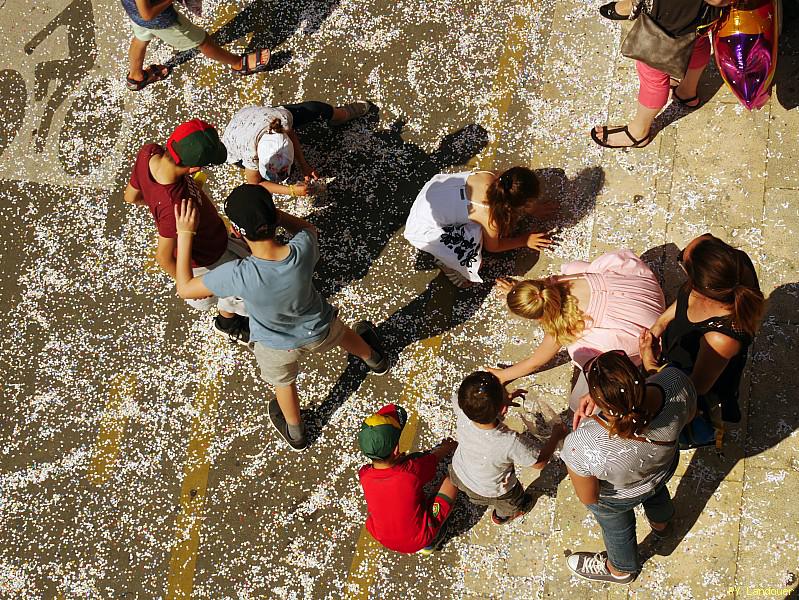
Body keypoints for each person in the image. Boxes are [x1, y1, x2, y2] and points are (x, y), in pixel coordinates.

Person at [172, 184, 389, 451]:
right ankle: (375, 360)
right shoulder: (302, 247)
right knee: (342, 333)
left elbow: (185, 288)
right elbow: (307, 228)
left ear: (237, 231)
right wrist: (275, 214)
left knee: (283, 383)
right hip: (317, 327)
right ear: (274, 218)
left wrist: (184, 234)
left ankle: (296, 433)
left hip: (275, 345)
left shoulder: (239, 274)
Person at [562, 350, 696, 584]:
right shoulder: (675, 382)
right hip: (661, 471)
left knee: (617, 529)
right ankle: (662, 525)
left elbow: (589, 497)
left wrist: (598, 414)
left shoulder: (581, 444)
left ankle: (621, 569)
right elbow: (690, 416)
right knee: (656, 495)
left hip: (619, 497)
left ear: (601, 401)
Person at [489, 249, 665, 414]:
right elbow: (539, 293)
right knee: (576, 267)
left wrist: (502, 375)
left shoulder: (563, 326)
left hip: (646, 335)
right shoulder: (558, 283)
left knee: (577, 396)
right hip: (644, 297)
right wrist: (520, 292)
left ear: (540, 317)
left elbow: (535, 362)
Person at [124, 119, 250, 343]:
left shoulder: (149, 153)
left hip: (213, 237)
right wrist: (188, 285)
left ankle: (229, 315)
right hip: (209, 255)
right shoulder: (173, 206)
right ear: (194, 168)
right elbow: (163, 257)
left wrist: (157, 206)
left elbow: (130, 196)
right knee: (242, 289)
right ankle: (228, 323)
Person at [638, 234, 764, 448]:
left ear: (700, 285)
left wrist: (650, 365)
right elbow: (685, 299)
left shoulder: (720, 338)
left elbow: (695, 387)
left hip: (689, 372)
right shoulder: (732, 267)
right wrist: (660, 324)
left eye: (681, 258)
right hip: (679, 351)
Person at [591, 0, 731, 149]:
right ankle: (687, 92)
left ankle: (638, 132)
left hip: (673, 14)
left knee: (652, 71)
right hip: (704, 12)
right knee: (696, 40)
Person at [403, 167, 556, 287]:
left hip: (432, 195)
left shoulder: (492, 176)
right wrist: (525, 240)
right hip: (425, 231)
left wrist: (533, 209)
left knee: (478, 228)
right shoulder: (489, 216)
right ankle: (446, 262)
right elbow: (493, 247)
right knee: (476, 258)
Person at [449, 371, 565, 524]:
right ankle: (502, 516)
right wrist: (556, 436)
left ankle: (498, 511)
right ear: (503, 409)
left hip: (459, 474)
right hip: (495, 490)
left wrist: (499, 402)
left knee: (475, 494)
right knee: (511, 503)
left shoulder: (461, 407)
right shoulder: (508, 441)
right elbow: (539, 463)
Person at [357, 403, 459, 554]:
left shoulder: (364, 474)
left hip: (384, 538)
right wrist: (446, 448)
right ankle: (430, 542)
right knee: (451, 482)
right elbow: (433, 460)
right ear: (396, 450)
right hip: (417, 539)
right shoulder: (410, 472)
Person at [222, 100, 371, 196]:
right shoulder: (250, 154)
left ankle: (342, 114)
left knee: (316, 108)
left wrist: (303, 164)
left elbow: (290, 134)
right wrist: (291, 191)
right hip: (235, 138)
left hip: (259, 118)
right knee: (258, 181)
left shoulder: (280, 120)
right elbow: (255, 183)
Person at [122, 0, 272, 91]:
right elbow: (147, 14)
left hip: (133, 11)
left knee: (141, 38)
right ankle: (239, 64)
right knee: (203, 42)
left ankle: (135, 77)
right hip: (160, 20)